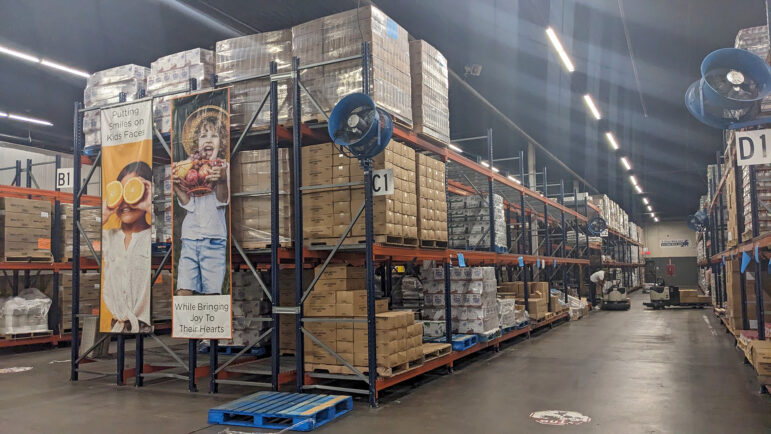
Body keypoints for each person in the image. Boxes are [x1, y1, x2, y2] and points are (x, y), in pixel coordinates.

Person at [172, 106, 229, 296]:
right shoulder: (191, 168)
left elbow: (223, 200)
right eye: (204, 136)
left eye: (214, 135)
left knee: (211, 296)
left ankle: (208, 326)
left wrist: (221, 180)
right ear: (197, 143)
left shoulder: (223, 168)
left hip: (213, 237)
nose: (208, 140)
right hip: (190, 236)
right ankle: (186, 326)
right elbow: (189, 205)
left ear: (221, 143)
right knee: (183, 292)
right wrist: (178, 187)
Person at [102, 161, 153, 333]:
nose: (125, 203)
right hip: (117, 326)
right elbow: (79, 248)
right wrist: (104, 213)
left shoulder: (154, 237)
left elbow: (180, 238)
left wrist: (149, 206)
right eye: (120, 194)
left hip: (145, 325)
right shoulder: (108, 237)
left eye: (133, 191)